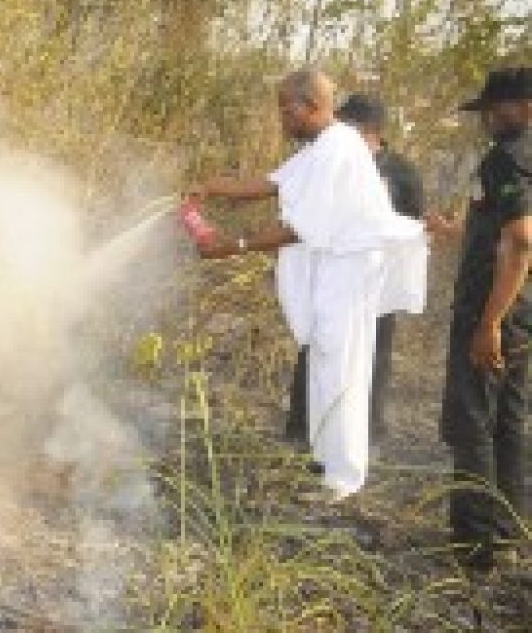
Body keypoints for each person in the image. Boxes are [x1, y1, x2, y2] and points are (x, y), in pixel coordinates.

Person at [190, 68, 428, 501]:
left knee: (341, 370)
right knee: (324, 363)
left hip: (347, 271)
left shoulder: (339, 148)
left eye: (287, 108)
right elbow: (273, 183)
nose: (282, 116)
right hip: (334, 271)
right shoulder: (322, 146)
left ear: (313, 106)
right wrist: (212, 188)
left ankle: (344, 476)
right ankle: (324, 462)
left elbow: (302, 227)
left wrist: (233, 245)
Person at [427, 67, 532, 572]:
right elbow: (503, 231)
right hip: (522, 313)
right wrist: (453, 231)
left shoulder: (506, 160)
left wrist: (489, 321)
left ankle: (475, 545)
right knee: (509, 420)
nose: (489, 119)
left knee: (473, 420)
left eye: (497, 110)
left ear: (525, 107)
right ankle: (508, 534)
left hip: (494, 312)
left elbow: (522, 239)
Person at [286, 94, 425, 449]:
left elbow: (412, 228)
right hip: (329, 276)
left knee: (371, 359)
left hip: (374, 285)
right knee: (317, 352)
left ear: (371, 132)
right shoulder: (326, 162)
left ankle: (365, 435)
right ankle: (304, 432)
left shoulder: (402, 173)